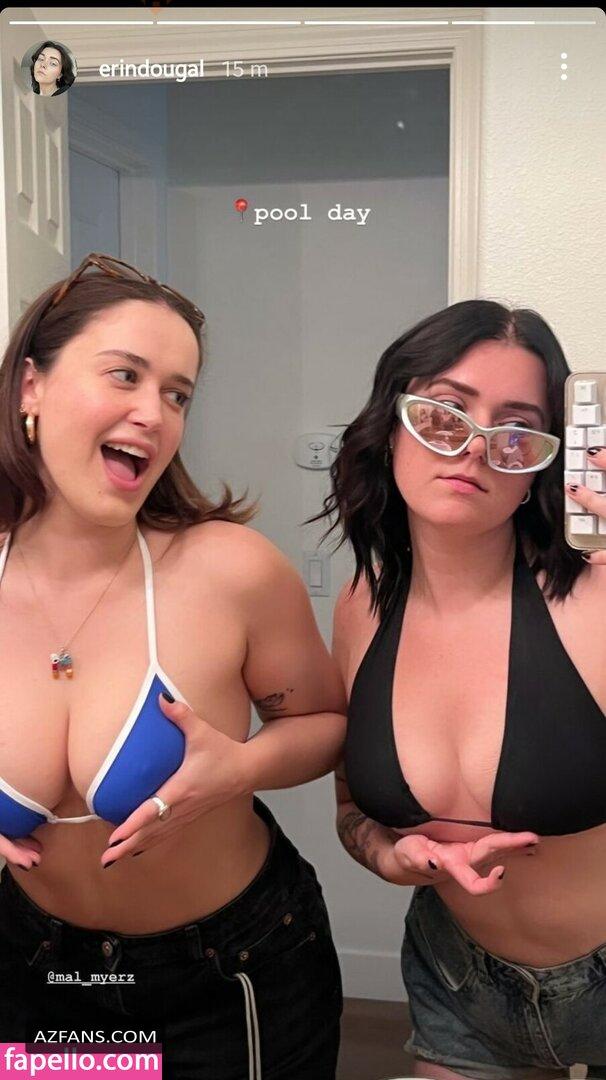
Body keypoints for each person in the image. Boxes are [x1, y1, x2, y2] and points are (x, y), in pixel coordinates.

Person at [0, 253, 345, 1079]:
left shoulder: (230, 570)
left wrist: (242, 768)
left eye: (178, 394)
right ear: (30, 388)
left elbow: (326, 723)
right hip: (37, 972)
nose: (153, 413)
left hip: (226, 974)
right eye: (125, 375)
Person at [316, 300, 606, 1079]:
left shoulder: (595, 600)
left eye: (515, 431)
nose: (475, 447)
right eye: (444, 414)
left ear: (540, 464)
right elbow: (349, 805)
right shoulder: (360, 609)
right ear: (392, 427)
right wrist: (388, 854)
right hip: (457, 983)